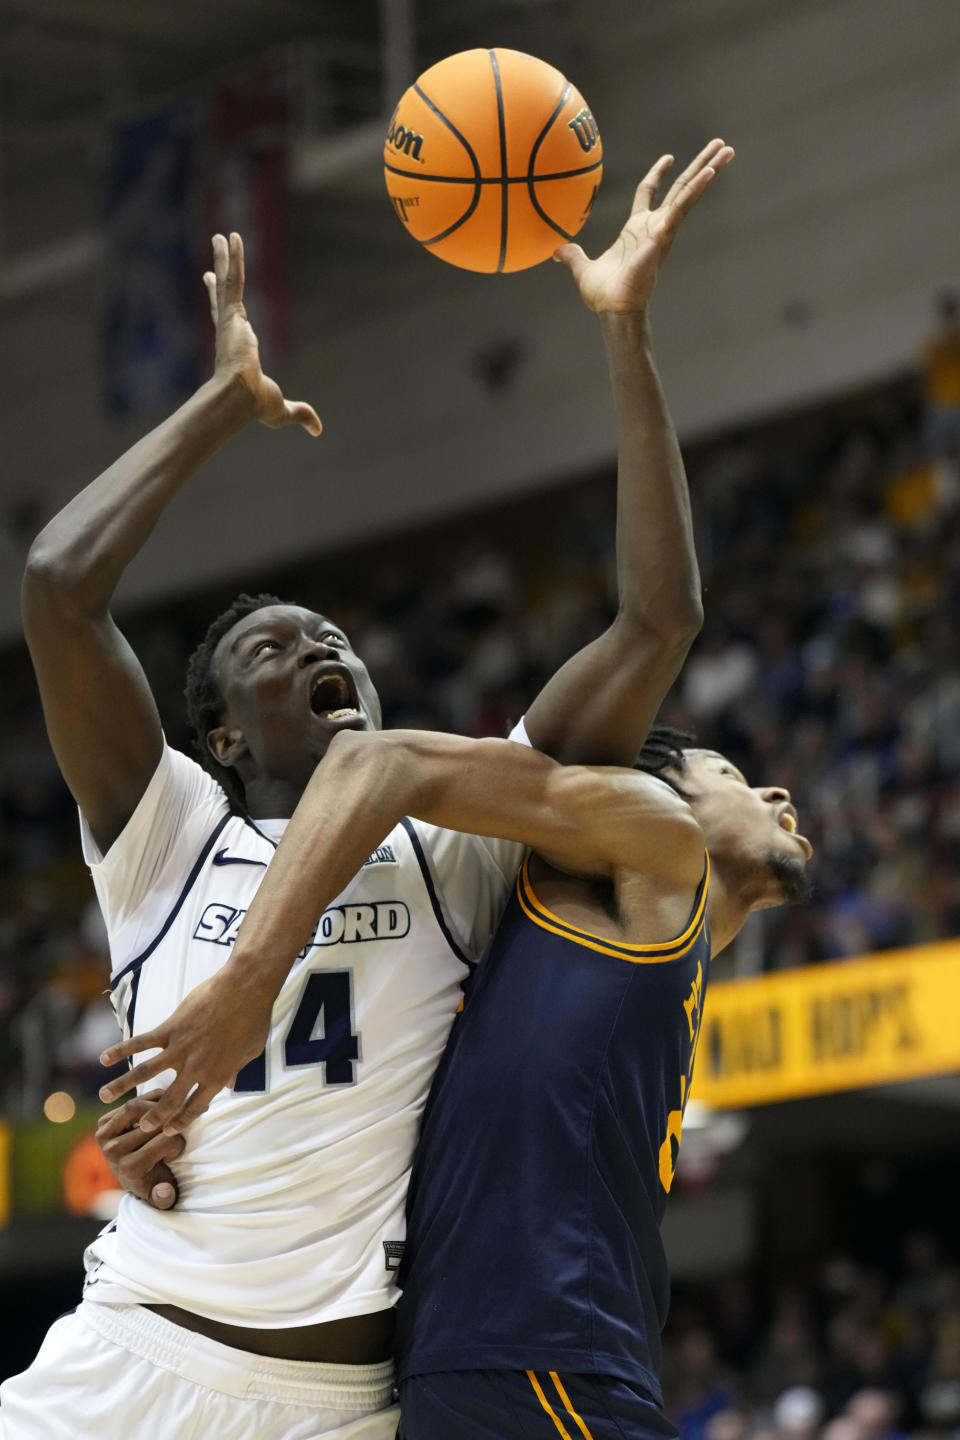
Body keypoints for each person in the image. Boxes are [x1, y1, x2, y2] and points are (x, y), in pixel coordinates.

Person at [1, 139, 733, 1440]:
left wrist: (628, 336)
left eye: (333, 638)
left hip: (337, 1405)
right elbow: (60, 588)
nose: (321, 649)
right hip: (132, 1358)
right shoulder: (163, 836)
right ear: (219, 735)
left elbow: (656, 621)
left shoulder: (452, 849)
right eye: (273, 650)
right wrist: (221, 405)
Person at [100, 716, 813, 1440]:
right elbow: (373, 760)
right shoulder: (629, 874)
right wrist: (244, 989)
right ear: (658, 799)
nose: (774, 788)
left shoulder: (647, 966)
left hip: (533, 1364)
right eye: (728, 774)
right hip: (534, 1356)